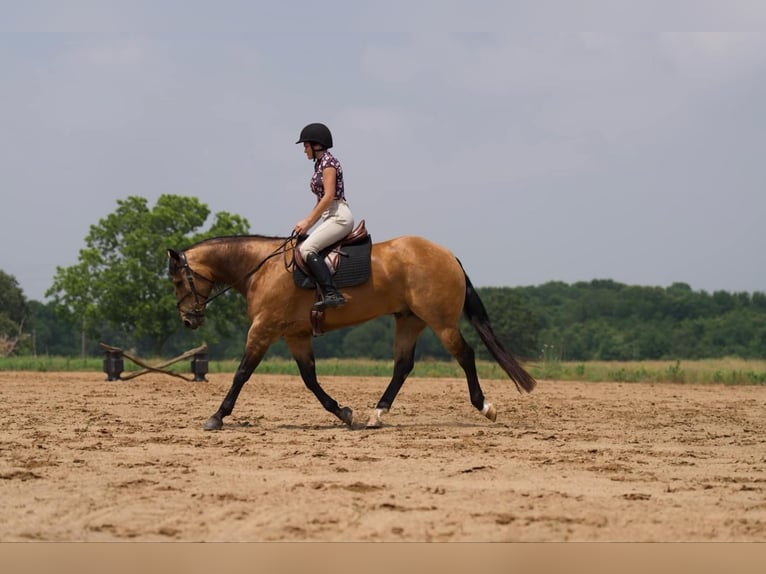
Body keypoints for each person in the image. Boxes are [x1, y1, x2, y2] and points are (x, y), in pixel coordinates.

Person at [293, 122, 354, 310]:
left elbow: (328, 197)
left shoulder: (328, 163)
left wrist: (308, 222)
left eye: (306, 145)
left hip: (339, 216)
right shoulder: (320, 164)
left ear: (316, 144)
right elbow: (321, 201)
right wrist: (307, 225)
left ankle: (332, 293)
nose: (304, 150)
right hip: (330, 215)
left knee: (307, 249)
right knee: (304, 244)